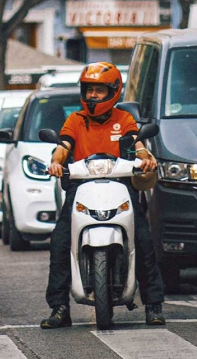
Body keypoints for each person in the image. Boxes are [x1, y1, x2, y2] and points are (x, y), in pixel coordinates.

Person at [41, 62, 166, 329]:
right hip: (80, 187)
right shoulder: (75, 120)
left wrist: (145, 159)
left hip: (122, 185)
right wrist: (55, 162)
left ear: (113, 91)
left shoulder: (124, 119)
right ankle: (59, 307)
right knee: (60, 242)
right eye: (89, 90)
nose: (93, 96)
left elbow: (138, 144)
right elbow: (63, 147)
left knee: (143, 241)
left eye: (99, 90)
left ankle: (153, 304)